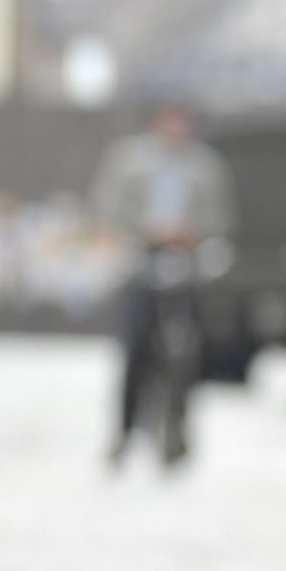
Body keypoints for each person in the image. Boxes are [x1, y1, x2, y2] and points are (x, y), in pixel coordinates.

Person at [91, 102, 238, 463]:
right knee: (135, 351)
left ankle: (176, 431)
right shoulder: (128, 160)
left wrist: (192, 234)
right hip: (140, 261)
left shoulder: (206, 167)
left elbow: (222, 217)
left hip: (186, 265)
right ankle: (124, 432)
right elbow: (107, 207)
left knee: (184, 354)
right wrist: (146, 228)